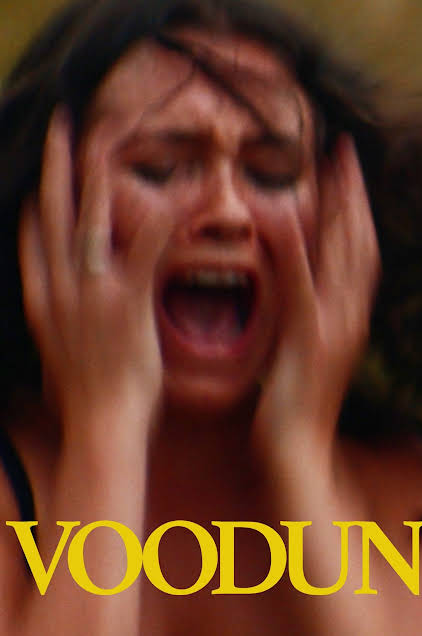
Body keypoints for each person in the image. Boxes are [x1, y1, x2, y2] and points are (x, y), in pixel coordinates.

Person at [0, 0, 421, 634]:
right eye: (160, 168)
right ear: (50, 206)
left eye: (270, 174)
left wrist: (300, 452)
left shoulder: (401, 485)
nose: (226, 211)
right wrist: (107, 428)